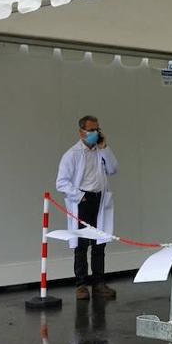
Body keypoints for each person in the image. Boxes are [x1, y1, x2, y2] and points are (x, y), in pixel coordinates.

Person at [55, 115, 119, 300]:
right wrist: (79, 196)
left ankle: (99, 283)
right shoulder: (72, 154)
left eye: (97, 129)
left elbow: (113, 168)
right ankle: (81, 285)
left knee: (100, 243)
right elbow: (61, 182)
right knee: (81, 244)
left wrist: (104, 147)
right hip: (82, 200)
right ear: (81, 132)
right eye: (91, 130)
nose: (94, 133)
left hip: (100, 199)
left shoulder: (101, 151)